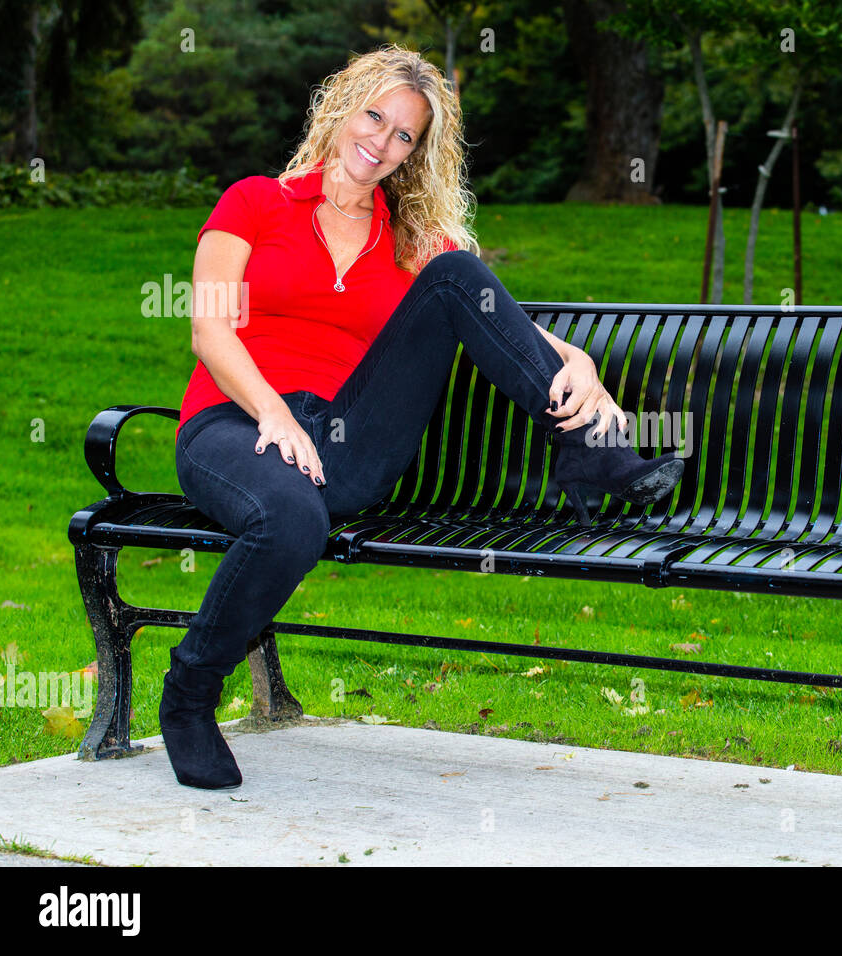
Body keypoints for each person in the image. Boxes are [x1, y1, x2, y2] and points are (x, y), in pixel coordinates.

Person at [164, 43, 684, 791]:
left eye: (403, 134)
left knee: (456, 273)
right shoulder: (254, 202)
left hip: (346, 438)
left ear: (414, 152)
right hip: (234, 426)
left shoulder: (410, 240)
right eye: (374, 116)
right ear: (341, 107)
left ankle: (590, 452)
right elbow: (209, 330)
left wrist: (581, 360)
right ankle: (189, 695)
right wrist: (271, 412)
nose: (380, 141)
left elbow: (504, 321)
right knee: (292, 521)